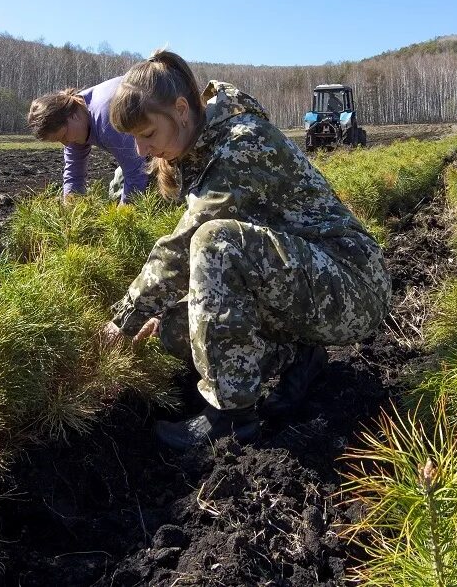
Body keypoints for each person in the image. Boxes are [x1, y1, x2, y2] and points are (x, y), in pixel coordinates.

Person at [101, 50, 391, 451]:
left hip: (352, 285)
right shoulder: (202, 145)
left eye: (147, 135)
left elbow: (188, 244)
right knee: (174, 325)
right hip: (307, 279)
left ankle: (232, 418)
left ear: (181, 110)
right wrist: (157, 309)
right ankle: (295, 359)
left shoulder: (242, 142)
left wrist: (124, 319)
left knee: (213, 241)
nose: (140, 151)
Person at [27, 76, 149, 204]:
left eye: (63, 136)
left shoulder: (106, 118)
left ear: (73, 116)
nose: (66, 143)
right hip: (145, 150)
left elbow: (136, 170)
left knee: (150, 190)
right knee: (117, 191)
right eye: (59, 140)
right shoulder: (76, 120)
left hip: (167, 139)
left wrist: (123, 217)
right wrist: (72, 213)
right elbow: (74, 176)